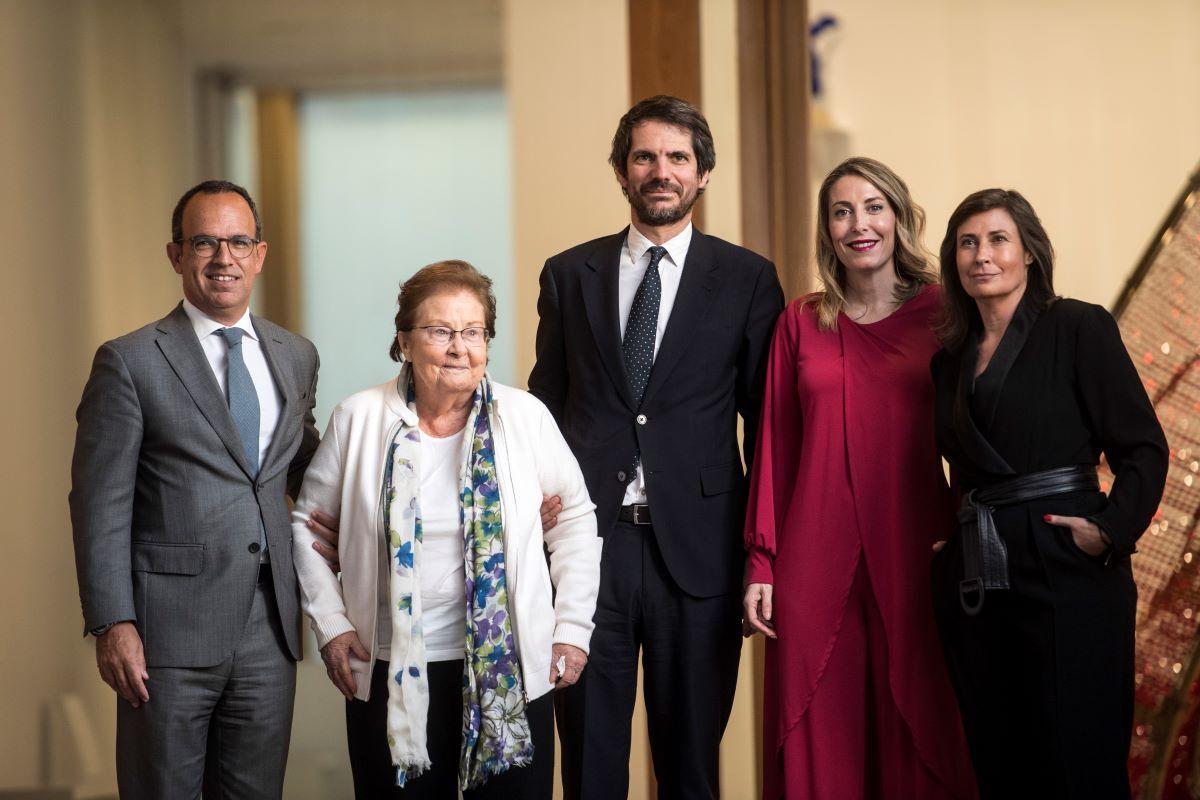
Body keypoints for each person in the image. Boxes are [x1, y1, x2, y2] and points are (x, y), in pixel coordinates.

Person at [528, 94, 784, 799]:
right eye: (645, 157)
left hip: (702, 555)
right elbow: (544, 411)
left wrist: (764, 553)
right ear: (621, 171)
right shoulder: (567, 274)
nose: (661, 171)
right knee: (589, 766)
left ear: (703, 173)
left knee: (691, 769)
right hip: (588, 552)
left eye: (677, 157)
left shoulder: (748, 279)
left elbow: (766, 425)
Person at [292, 260, 600, 798]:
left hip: (507, 668)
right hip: (390, 668)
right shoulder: (358, 418)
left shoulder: (524, 417)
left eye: (473, 332)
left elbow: (573, 520)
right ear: (404, 342)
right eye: (440, 331)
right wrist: (332, 625)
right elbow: (305, 526)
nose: (460, 348)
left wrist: (572, 629)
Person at [69, 180, 321, 798]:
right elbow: (98, 505)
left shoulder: (296, 355)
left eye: (239, 242)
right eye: (204, 242)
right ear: (176, 255)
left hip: (270, 628)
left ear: (260, 255)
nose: (223, 257)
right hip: (166, 635)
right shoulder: (130, 361)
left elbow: (305, 466)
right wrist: (112, 622)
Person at [741, 157, 976, 799]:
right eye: (842, 212)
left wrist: (968, 532)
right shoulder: (799, 321)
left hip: (917, 549)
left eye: (874, 208)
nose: (859, 224)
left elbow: (977, 435)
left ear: (899, 218)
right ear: (827, 229)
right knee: (822, 738)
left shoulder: (944, 315)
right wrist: (761, 562)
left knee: (923, 730)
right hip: (812, 562)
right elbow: (775, 447)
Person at [929, 188, 1168, 798]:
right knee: (1001, 764)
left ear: (1029, 252)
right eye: (967, 243)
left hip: (1067, 565)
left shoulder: (1078, 326)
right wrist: (952, 543)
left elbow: (1143, 447)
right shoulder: (949, 361)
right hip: (980, 577)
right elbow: (964, 467)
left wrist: (1108, 531)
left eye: (998, 239)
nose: (982, 255)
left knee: (1079, 762)